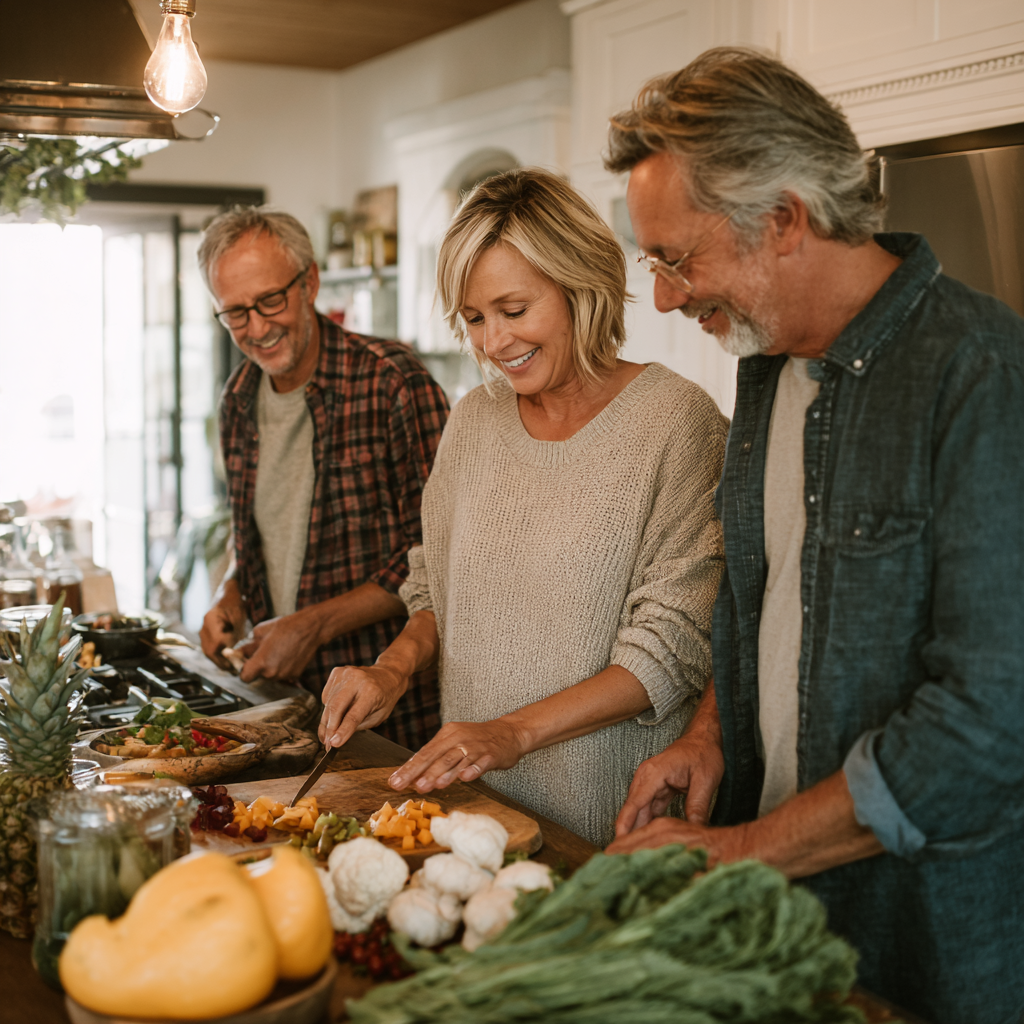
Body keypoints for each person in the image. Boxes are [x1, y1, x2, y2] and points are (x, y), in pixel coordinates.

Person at [604, 47, 1024, 1024]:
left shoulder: (981, 378)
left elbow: (988, 717)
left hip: (927, 944)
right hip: (782, 927)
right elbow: (759, 599)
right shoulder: (764, 369)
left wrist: (744, 850)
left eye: (677, 257)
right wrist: (708, 736)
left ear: (784, 220)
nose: (664, 296)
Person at [318, 169, 728, 845]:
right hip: (474, 813)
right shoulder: (475, 420)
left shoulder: (676, 422)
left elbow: (670, 650)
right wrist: (390, 670)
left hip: (610, 821)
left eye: (514, 311)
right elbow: (436, 590)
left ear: (581, 287)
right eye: (474, 319)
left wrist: (511, 733)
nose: (493, 343)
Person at [197, 207, 450, 749]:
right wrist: (232, 596)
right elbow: (266, 536)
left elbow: (438, 554)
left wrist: (313, 625)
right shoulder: (237, 400)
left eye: (270, 301)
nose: (257, 328)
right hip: (283, 710)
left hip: (390, 714)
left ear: (309, 281)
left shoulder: (393, 382)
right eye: (236, 313)